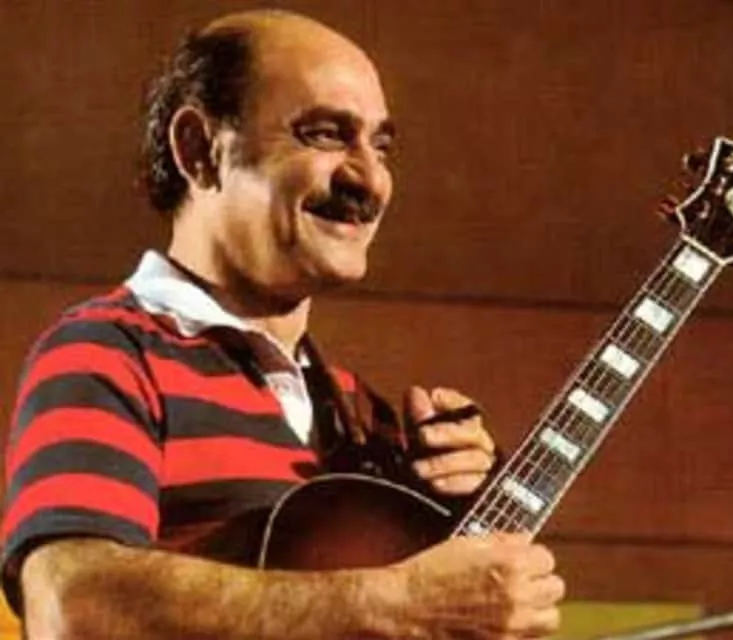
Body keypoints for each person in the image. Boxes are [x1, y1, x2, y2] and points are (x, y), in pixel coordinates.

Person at [1, 9, 565, 638]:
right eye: (324, 135)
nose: (370, 179)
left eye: (381, 146)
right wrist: (399, 602)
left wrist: (467, 500)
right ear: (199, 150)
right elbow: (72, 607)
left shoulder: (364, 415)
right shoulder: (107, 352)